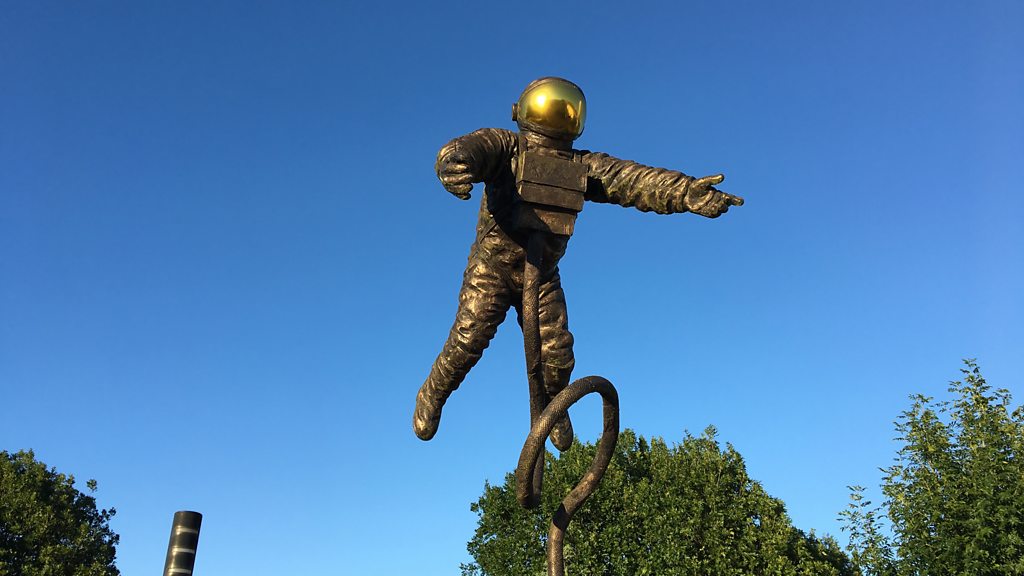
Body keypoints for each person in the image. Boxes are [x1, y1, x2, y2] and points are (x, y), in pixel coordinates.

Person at [414, 77, 743, 450]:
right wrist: (454, 163)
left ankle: (554, 407)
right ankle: (433, 392)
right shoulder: (507, 147)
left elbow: (636, 182)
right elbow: (470, 149)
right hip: (492, 270)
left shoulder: (583, 165)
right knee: (468, 338)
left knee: (556, 353)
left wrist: (685, 192)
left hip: (543, 275)